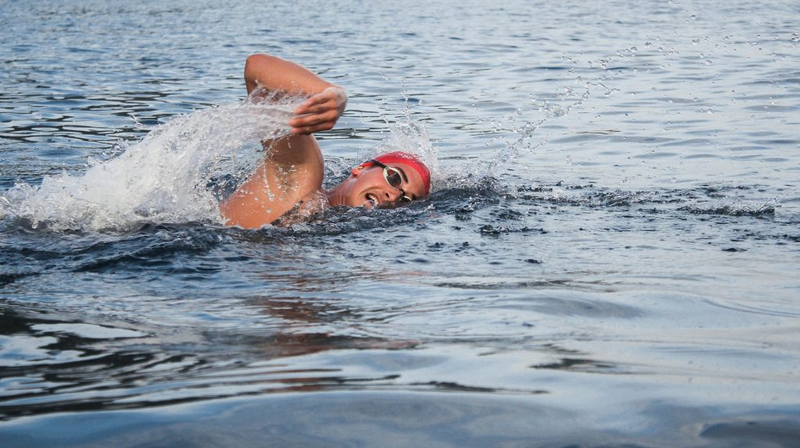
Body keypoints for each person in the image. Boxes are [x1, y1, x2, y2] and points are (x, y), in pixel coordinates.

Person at [220, 54, 431, 229]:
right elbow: (256, 68)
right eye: (394, 178)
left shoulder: (331, 223)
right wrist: (331, 93)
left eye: (406, 200)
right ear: (361, 168)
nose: (393, 195)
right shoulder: (302, 179)